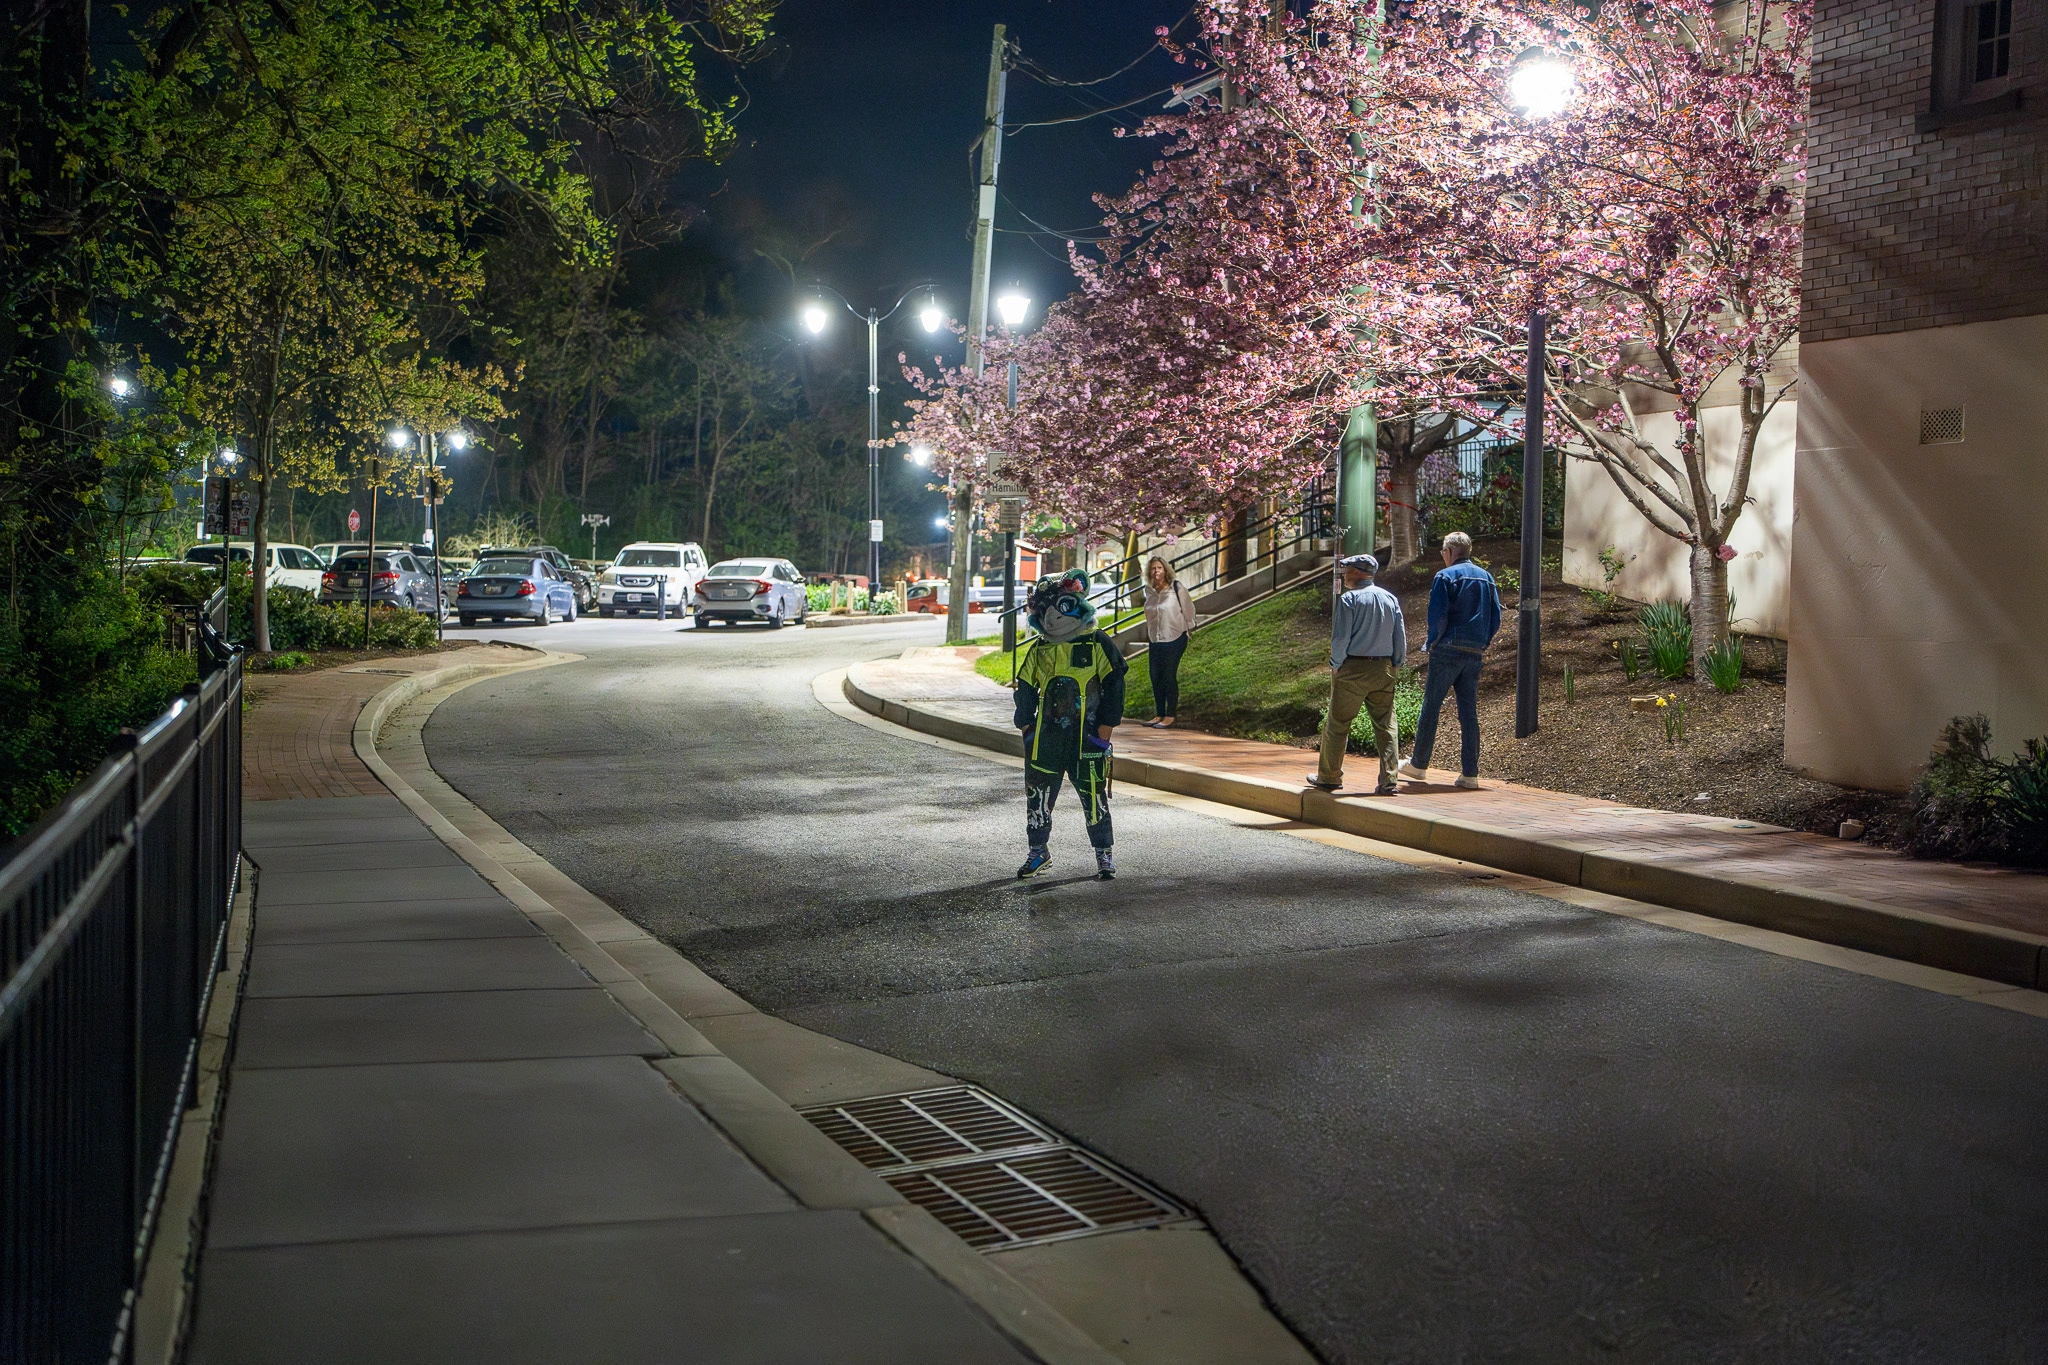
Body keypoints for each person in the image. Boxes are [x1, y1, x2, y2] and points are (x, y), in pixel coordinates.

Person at [1013, 569, 1128, 879]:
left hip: (1087, 738)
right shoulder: (1040, 647)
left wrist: (1106, 727)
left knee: (1094, 797)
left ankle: (1104, 854)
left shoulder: (1096, 642)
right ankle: (1038, 852)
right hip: (1045, 740)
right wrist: (1026, 726)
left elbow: (1116, 681)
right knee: (1037, 798)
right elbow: (1024, 684)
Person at [1400, 531, 1502, 790]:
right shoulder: (1487, 578)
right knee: (1469, 714)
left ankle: (1419, 765)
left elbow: (1438, 615)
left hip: (1447, 649)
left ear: (1448, 552)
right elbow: (1496, 617)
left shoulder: (1444, 576)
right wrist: (1483, 641)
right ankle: (1470, 773)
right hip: (1474, 651)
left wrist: (1433, 641)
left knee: (1431, 707)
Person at [1306, 554, 1406, 794]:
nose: (1345, 573)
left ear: (1359, 572)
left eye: (1347, 569)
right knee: (1386, 726)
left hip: (1352, 668)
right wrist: (1396, 664)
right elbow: (1399, 636)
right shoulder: (1389, 598)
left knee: (1338, 724)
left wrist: (1336, 664)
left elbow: (1340, 637)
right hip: (1383, 668)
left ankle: (1329, 776)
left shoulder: (1349, 600)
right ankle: (1389, 780)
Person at [1141, 555, 1195, 728]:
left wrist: (1188, 628)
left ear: (1165, 570)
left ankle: (1170, 715)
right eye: (1153, 568)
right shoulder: (1148, 591)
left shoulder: (1176, 588)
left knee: (1168, 675)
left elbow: (1188, 609)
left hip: (1175, 636)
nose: (1156, 571)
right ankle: (1159, 714)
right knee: (1156, 676)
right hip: (1155, 639)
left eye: (1159, 568)